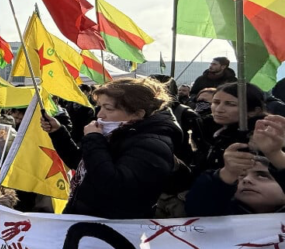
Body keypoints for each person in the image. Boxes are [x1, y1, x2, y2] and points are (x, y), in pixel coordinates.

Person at [40, 78, 179, 219]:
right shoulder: (115, 134)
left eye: (108, 108)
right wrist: (58, 132)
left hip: (110, 229)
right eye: (100, 107)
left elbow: (111, 186)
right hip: (86, 220)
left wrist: (94, 139)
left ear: (138, 114)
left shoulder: (152, 145)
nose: (100, 114)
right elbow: (82, 162)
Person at [186, 115, 285, 215]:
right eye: (240, 176)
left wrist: (275, 155)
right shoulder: (219, 212)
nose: (246, 180)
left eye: (262, 176)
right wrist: (228, 173)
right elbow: (197, 208)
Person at [194, 82, 267, 174]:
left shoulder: (257, 139)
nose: (219, 109)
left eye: (231, 104)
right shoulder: (214, 130)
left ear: (253, 111)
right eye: (216, 102)